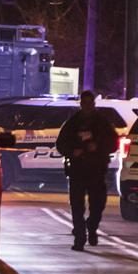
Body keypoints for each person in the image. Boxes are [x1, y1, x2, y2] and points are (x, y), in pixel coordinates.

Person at [56, 91, 119, 251]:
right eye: (85, 103)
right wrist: (73, 151)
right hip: (77, 170)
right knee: (77, 206)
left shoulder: (102, 123)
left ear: (94, 105)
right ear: (81, 104)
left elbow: (113, 143)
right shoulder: (72, 123)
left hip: (96, 170)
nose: (88, 106)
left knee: (98, 205)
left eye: (90, 103)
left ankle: (91, 227)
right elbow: (61, 144)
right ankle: (79, 238)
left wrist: (97, 147)